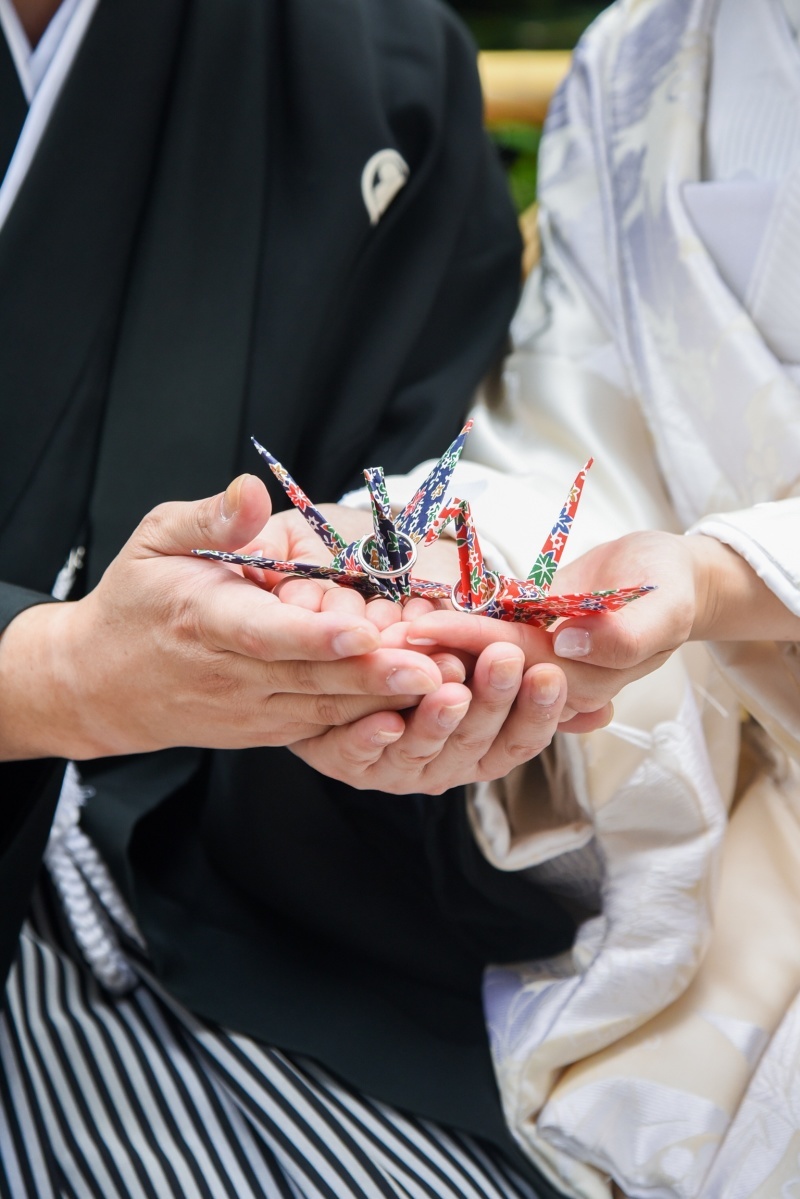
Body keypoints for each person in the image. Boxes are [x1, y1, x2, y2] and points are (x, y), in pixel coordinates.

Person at [0, 0, 586, 1195]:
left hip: (209, 882)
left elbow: (392, 501)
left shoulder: (382, 61)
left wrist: (392, 686)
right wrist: (51, 679)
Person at [320, 0, 799, 1194]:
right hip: (721, 773)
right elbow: (576, 429)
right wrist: (457, 579)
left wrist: (722, 576)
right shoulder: (642, 47)